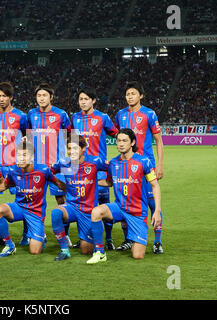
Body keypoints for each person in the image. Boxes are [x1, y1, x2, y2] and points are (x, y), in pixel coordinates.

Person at [86, 129, 162, 263]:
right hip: (119, 207)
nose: (121, 144)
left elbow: (155, 185)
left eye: (125, 141)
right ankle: (100, 252)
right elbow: (109, 182)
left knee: (138, 255)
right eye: (119, 140)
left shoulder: (143, 161)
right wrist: (91, 181)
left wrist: (156, 211)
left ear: (132, 142)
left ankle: (134, 237)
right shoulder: (113, 163)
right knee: (96, 212)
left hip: (137, 212)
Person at [113, 81, 165, 254]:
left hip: (145, 165)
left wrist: (160, 164)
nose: (130, 97)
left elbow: (158, 140)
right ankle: (129, 238)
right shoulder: (120, 114)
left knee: (151, 202)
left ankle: (157, 241)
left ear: (140, 96)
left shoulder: (149, 114)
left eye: (133, 93)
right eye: (128, 94)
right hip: (127, 166)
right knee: (125, 200)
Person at [0, 141, 66, 257]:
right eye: (19, 155)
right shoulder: (13, 171)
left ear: (32, 157)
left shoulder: (43, 170)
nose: (20, 158)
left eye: (24, 155)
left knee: (35, 251)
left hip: (35, 213)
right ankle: (10, 246)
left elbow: (58, 183)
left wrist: (74, 190)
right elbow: (5, 186)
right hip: (19, 207)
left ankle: (39, 236)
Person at [71, 87, 118, 250]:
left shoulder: (102, 117)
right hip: (80, 170)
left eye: (86, 99)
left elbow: (116, 134)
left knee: (104, 204)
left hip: (99, 168)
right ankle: (84, 236)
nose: (83, 102)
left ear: (93, 101)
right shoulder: (74, 118)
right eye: (80, 99)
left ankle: (109, 238)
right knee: (82, 205)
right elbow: (70, 140)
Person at [0, 81, 29, 245]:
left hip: (15, 167)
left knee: (24, 199)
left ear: (11, 97)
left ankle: (27, 233)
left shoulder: (21, 116)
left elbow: (27, 137)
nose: (1, 99)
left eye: (4, 96)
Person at [27, 82, 72, 246]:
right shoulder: (31, 114)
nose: (41, 98)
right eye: (39, 95)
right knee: (36, 201)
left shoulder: (61, 114)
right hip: (37, 167)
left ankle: (65, 234)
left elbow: (71, 135)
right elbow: (29, 136)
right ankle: (39, 232)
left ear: (51, 97)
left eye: (44, 95)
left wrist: (71, 161)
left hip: (57, 167)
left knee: (62, 200)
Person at [50, 134, 108, 261]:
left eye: (75, 148)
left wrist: (107, 182)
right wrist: (59, 183)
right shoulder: (63, 163)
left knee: (86, 250)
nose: (72, 152)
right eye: (69, 148)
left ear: (83, 148)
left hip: (88, 211)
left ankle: (92, 239)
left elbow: (114, 168)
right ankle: (64, 250)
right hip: (71, 207)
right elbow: (47, 172)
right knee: (56, 213)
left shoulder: (94, 162)